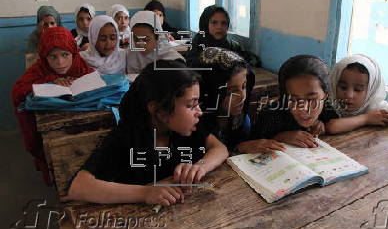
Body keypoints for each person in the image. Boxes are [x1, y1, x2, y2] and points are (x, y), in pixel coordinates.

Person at [65, 60, 228, 206]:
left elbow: (220, 149)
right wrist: (145, 193)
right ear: (160, 111)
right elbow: (78, 187)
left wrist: (201, 166)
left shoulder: (187, 126)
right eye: (190, 105)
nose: (199, 112)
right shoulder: (126, 136)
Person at [12, 27, 94, 185]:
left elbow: (92, 81)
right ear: (44, 57)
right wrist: (49, 81)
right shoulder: (39, 70)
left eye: (65, 55)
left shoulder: (79, 65)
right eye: (52, 56)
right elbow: (17, 91)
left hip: (81, 126)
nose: (60, 63)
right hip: (52, 128)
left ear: (73, 53)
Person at [250, 55, 339, 148]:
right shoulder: (271, 115)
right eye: (293, 100)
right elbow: (250, 145)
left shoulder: (327, 108)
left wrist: (321, 123)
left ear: (325, 95)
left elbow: (336, 123)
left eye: (311, 99)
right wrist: (280, 137)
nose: (303, 108)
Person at [326, 54, 388, 134]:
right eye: (343, 87)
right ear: (334, 84)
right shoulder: (329, 104)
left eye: (358, 89)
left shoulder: (373, 106)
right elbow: (332, 127)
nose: (349, 95)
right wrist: (366, 119)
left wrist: (382, 118)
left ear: (371, 91)